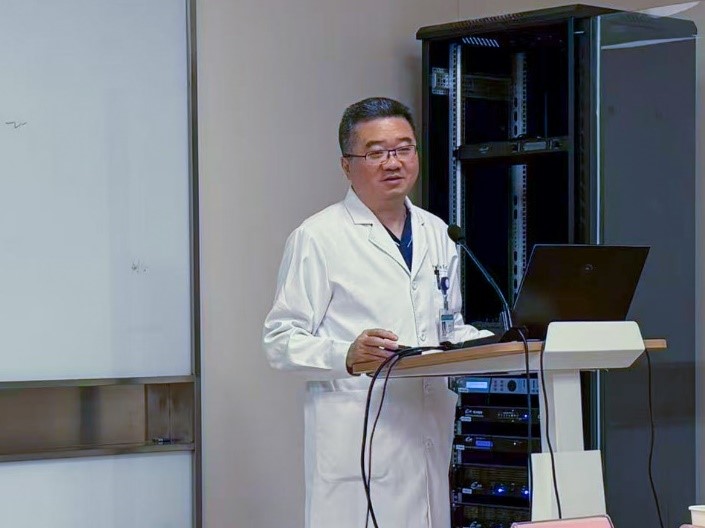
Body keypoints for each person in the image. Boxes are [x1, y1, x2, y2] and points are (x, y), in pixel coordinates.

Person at [262, 97, 491, 527]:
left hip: (427, 431)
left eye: (404, 149)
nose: (393, 162)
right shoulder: (318, 237)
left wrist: (498, 343)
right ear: (347, 165)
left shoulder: (438, 232)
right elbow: (279, 340)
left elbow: (447, 327)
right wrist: (346, 355)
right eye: (376, 153)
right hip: (359, 440)